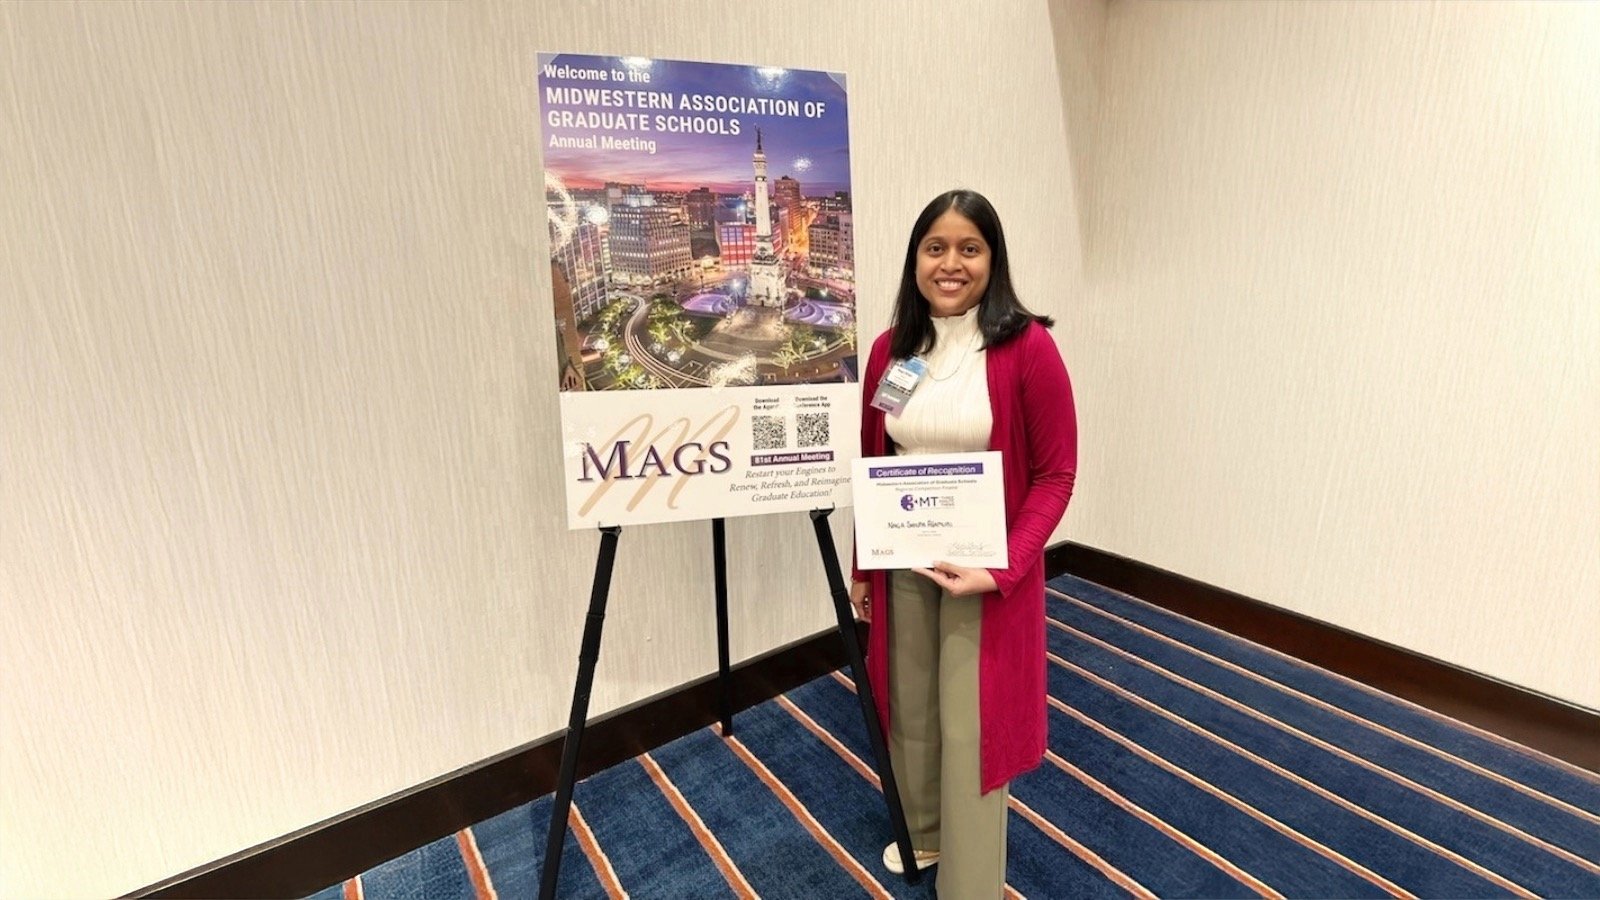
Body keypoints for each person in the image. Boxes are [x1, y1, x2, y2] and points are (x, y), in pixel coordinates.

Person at [851, 189, 1077, 898]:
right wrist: (862, 565)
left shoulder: (1027, 348)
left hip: (983, 566)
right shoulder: (893, 350)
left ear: (992, 260)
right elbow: (874, 460)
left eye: (969, 248)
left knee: (970, 719)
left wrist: (1003, 568)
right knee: (910, 702)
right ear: (916, 259)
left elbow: (1056, 475)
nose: (951, 264)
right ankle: (922, 831)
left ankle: (972, 879)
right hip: (904, 555)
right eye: (936, 248)